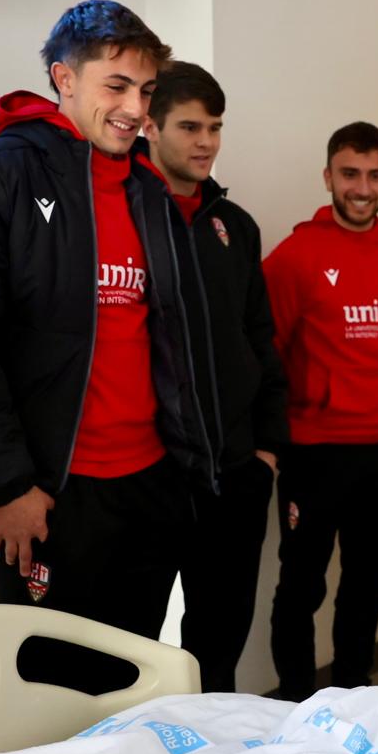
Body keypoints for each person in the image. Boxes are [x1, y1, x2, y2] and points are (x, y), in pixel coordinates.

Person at [0, 0, 220, 693]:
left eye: (147, 90)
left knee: (134, 689)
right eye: (117, 86)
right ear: (63, 79)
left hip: (150, 488)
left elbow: (176, 344)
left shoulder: (150, 193)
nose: (136, 108)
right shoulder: (3, 173)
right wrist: (6, 484)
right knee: (49, 699)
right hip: (54, 497)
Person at [142, 62, 288, 693]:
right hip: (150, 474)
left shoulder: (236, 226)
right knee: (134, 648)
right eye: (190, 127)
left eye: (215, 128)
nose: (206, 142)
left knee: (218, 646)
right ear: (150, 126)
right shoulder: (124, 218)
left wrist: (267, 451)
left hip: (235, 470)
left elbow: (260, 339)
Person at [263, 122, 378, 702]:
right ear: (328, 176)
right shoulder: (293, 256)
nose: (362, 187)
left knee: (367, 587)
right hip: (315, 450)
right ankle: (298, 704)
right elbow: (268, 353)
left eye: (375, 175)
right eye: (350, 174)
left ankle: (353, 699)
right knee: (301, 585)